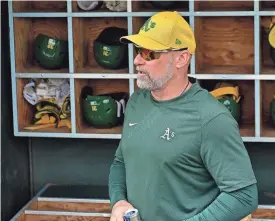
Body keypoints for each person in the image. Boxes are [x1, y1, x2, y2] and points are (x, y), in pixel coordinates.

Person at [108, 11, 258, 221]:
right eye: (137, 50)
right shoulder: (136, 103)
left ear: (181, 58)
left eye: (149, 53)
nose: (137, 60)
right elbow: (121, 162)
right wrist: (118, 202)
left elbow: (243, 196)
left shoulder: (211, 118)